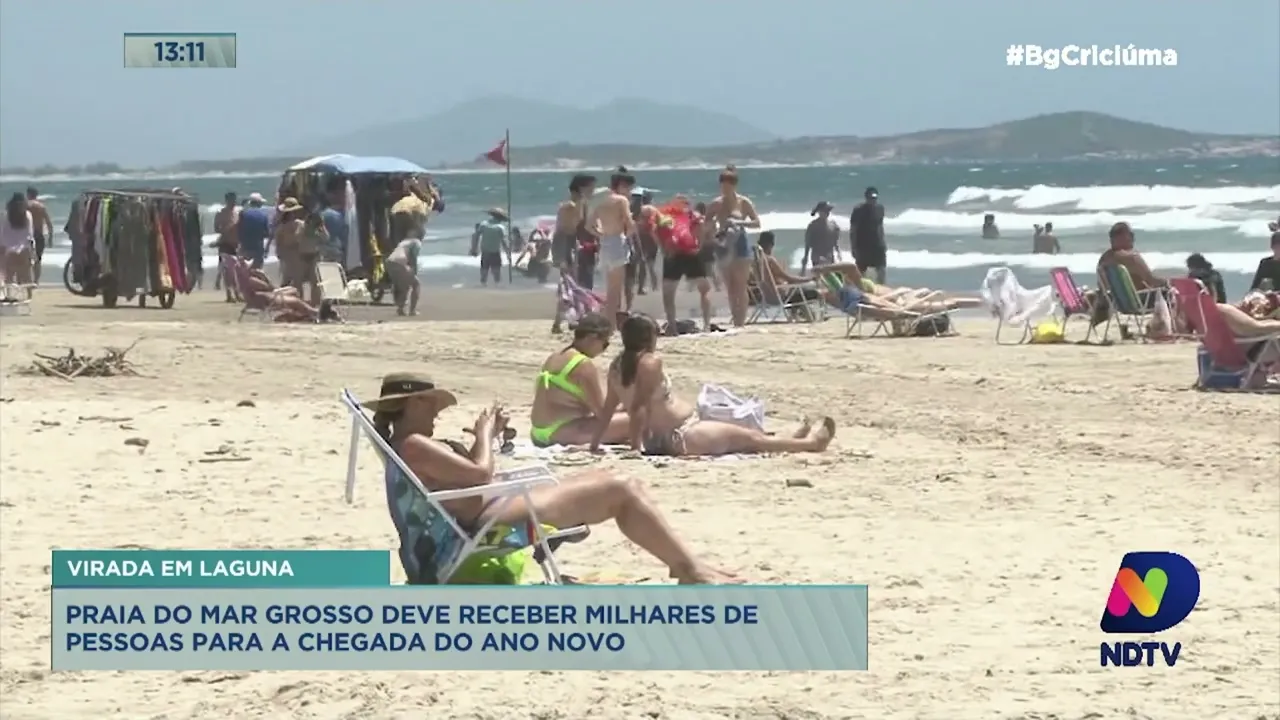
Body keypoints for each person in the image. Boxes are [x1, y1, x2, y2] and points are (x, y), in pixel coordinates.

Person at [367, 371, 741, 584]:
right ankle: (690, 568)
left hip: (486, 509)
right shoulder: (413, 444)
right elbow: (480, 473)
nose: (435, 411)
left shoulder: (408, 445)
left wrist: (485, 439)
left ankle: (684, 563)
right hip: (485, 524)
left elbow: (467, 480)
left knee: (608, 476)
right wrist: (484, 434)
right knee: (621, 488)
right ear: (410, 405)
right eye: (430, 404)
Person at [591, 315, 836, 457]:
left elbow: (608, 409)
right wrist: (636, 448)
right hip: (683, 433)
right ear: (648, 338)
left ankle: (790, 439)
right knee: (751, 440)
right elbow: (638, 407)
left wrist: (594, 444)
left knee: (743, 436)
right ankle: (810, 445)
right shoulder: (650, 362)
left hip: (665, 437)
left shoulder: (616, 366)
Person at [530, 312, 634, 447]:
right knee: (636, 419)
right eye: (605, 343)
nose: (604, 349)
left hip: (538, 432)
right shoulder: (583, 365)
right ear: (592, 337)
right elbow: (602, 413)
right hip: (561, 432)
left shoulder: (555, 356)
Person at [705, 166, 761, 327]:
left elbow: (756, 223)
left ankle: (740, 322)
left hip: (741, 243)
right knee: (730, 286)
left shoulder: (743, 202)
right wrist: (712, 232)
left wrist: (739, 222)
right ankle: (735, 318)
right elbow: (706, 223)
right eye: (722, 185)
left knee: (741, 285)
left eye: (728, 185)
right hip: (723, 244)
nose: (725, 188)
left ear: (734, 185)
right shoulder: (716, 203)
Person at [652, 197, 713, 334]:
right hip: (691, 252)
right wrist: (699, 246)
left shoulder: (665, 216)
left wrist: (662, 249)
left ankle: (672, 327)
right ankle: (707, 325)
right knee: (704, 289)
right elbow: (701, 227)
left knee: (668, 293)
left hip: (672, 253)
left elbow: (655, 231)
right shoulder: (693, 214)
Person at [588, 167, 638, 327]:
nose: (630, 191)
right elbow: (630, 224)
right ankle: (610, 324)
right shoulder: (621, 201)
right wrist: (628, 235)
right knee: (615, 290)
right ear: (621, 185)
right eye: (628, 187)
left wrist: (601, 234)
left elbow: (589, 226)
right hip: (617, 242)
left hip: (605, 243)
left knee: (610, 288)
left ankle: (609, 322)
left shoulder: (600, 200)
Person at [552, 174, 597, 334]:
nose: (593, 190)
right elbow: (565, 230)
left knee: (574, 283)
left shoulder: (582, 205)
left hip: (574, 244)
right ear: (581, 188)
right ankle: (562, 320)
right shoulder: (570, 206)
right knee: (569, 283)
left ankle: (571, 319)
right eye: (591, 186)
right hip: (565, 244)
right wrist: (563, 256)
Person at [849, 186, 887, 284]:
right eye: (870, 198)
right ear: (866, 198)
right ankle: (861, 291)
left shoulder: (880, 208)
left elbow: (880, 226)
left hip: (877, 245)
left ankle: (881, 288)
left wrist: (883, 242)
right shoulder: (858, 210)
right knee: (861, 272)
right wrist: (853, 247)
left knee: (881, 270)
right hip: (863, 246)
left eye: (874, 198)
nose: (872, 200)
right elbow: (853, 229)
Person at [1, 193, 34, 297]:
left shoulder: (5, 215)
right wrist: (32, 250)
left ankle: (9, 296)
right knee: (26, 274)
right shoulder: (27, 215)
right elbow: (29, 234)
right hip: (24, 248)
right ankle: (29, 296)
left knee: (9, 275)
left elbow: (2, 233)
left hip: (8, 249)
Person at [273, 197, 308, 291]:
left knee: (288, 279)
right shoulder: (300, 224)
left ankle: (282, 297)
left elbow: (278, 242)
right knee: (297, 280)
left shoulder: (281, 226)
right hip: (297, 253)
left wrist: (279, 253)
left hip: (287, 254)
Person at [212, 192, 241, 301]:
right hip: (225, 243)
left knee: (236, 270)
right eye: (231, 200)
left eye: (234, 200)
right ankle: (229, 294)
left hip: (235, 244)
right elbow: (216, 228)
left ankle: (237, 293)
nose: (233, 202)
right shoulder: (221, 213)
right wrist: (226, 230)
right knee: (227, 270)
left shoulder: (237, 212)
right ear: (227, 200)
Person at [385, 233, 422, 316]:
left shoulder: (404, 242)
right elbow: (413, 258)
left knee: (402, 286)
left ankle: (400, 309)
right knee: (416, 284)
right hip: (400, 262)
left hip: (389, 262)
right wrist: (414, 272)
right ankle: (412, 310)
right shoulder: (416, 242)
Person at [471, 208, 509, 286]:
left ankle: (483, 287)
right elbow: (504, 242)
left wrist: (474, 248)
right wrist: (508, 253)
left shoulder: (484, 224)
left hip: (485, 252)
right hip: (495, 252)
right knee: (496, 273)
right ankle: (497, 287)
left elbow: (475, 236)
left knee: (484, 272)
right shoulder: (500, 228)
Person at [802, 201, 841, 273]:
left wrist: (838, 253)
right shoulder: (813, 226)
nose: (827, 213)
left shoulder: (833, 225)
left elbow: (835, 241)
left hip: (830, 256)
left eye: (828, 211)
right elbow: (807, 244)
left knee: (832, 278)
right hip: (817, 257)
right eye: (825, 211)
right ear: (819, 212)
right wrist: (805, 260)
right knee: (821, 278)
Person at [24, 187, 52, 284]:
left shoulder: (25, 206)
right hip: (39, 234)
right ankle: (36, 281)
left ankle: (28, 280)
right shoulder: (41, 206)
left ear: (28, 194)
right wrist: (50, 237)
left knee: (27, 259)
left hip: (27, 235)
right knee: (38, 259)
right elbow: (48, 222)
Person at [693, 201, 722, 291]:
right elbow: (715, 232)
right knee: (707, 267)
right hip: (710, 244)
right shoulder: (710, 221)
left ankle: (716, 285)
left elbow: (701, 233)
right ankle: (715, 285)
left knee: (707, 267)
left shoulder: (702, 221)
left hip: (705, 245)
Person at [238, 193, 272, 270]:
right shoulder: (264, 215)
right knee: (257, 270)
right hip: (258, 247)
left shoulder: (243, 214)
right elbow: (267, 233)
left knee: (245, 271)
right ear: (259, 203)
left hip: (245, 246)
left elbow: (239, 230)